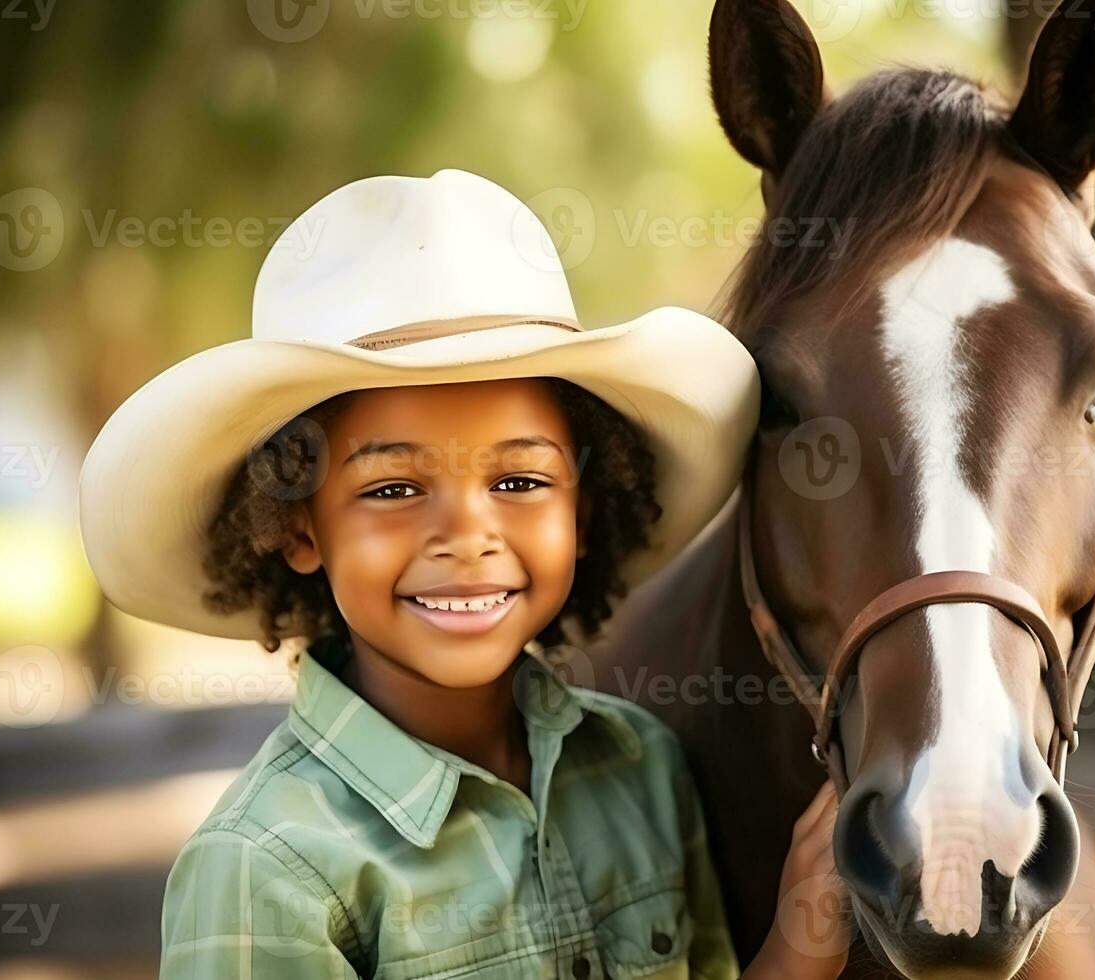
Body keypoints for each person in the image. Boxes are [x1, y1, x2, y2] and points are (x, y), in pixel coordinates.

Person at [79, 170, 851, 979]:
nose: (467, 536)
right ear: (298, 526)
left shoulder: (642, 771)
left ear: (585, 511)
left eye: (519, 482)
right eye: (393, 489)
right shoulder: (265, 870)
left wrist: (799, 951)